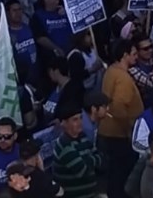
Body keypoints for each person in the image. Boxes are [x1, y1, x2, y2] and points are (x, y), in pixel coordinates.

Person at [100, 39, 144, 198]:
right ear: (124, 55)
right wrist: (129, 128)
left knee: (115, 173)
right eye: (133, 54)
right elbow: (118, 106)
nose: (137, 57)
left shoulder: (111, 70)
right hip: (120, 134)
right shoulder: (123, 78)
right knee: (121, 174)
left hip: (108, 129)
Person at [52, 103, 104, 198]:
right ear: (64, 123)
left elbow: (101, 159)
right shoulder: (64, 144)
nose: (80, 122)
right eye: (75, 120)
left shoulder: (83, 136)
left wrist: (86, 160)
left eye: (80, 118)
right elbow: (82, 171)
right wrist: (92, 160)